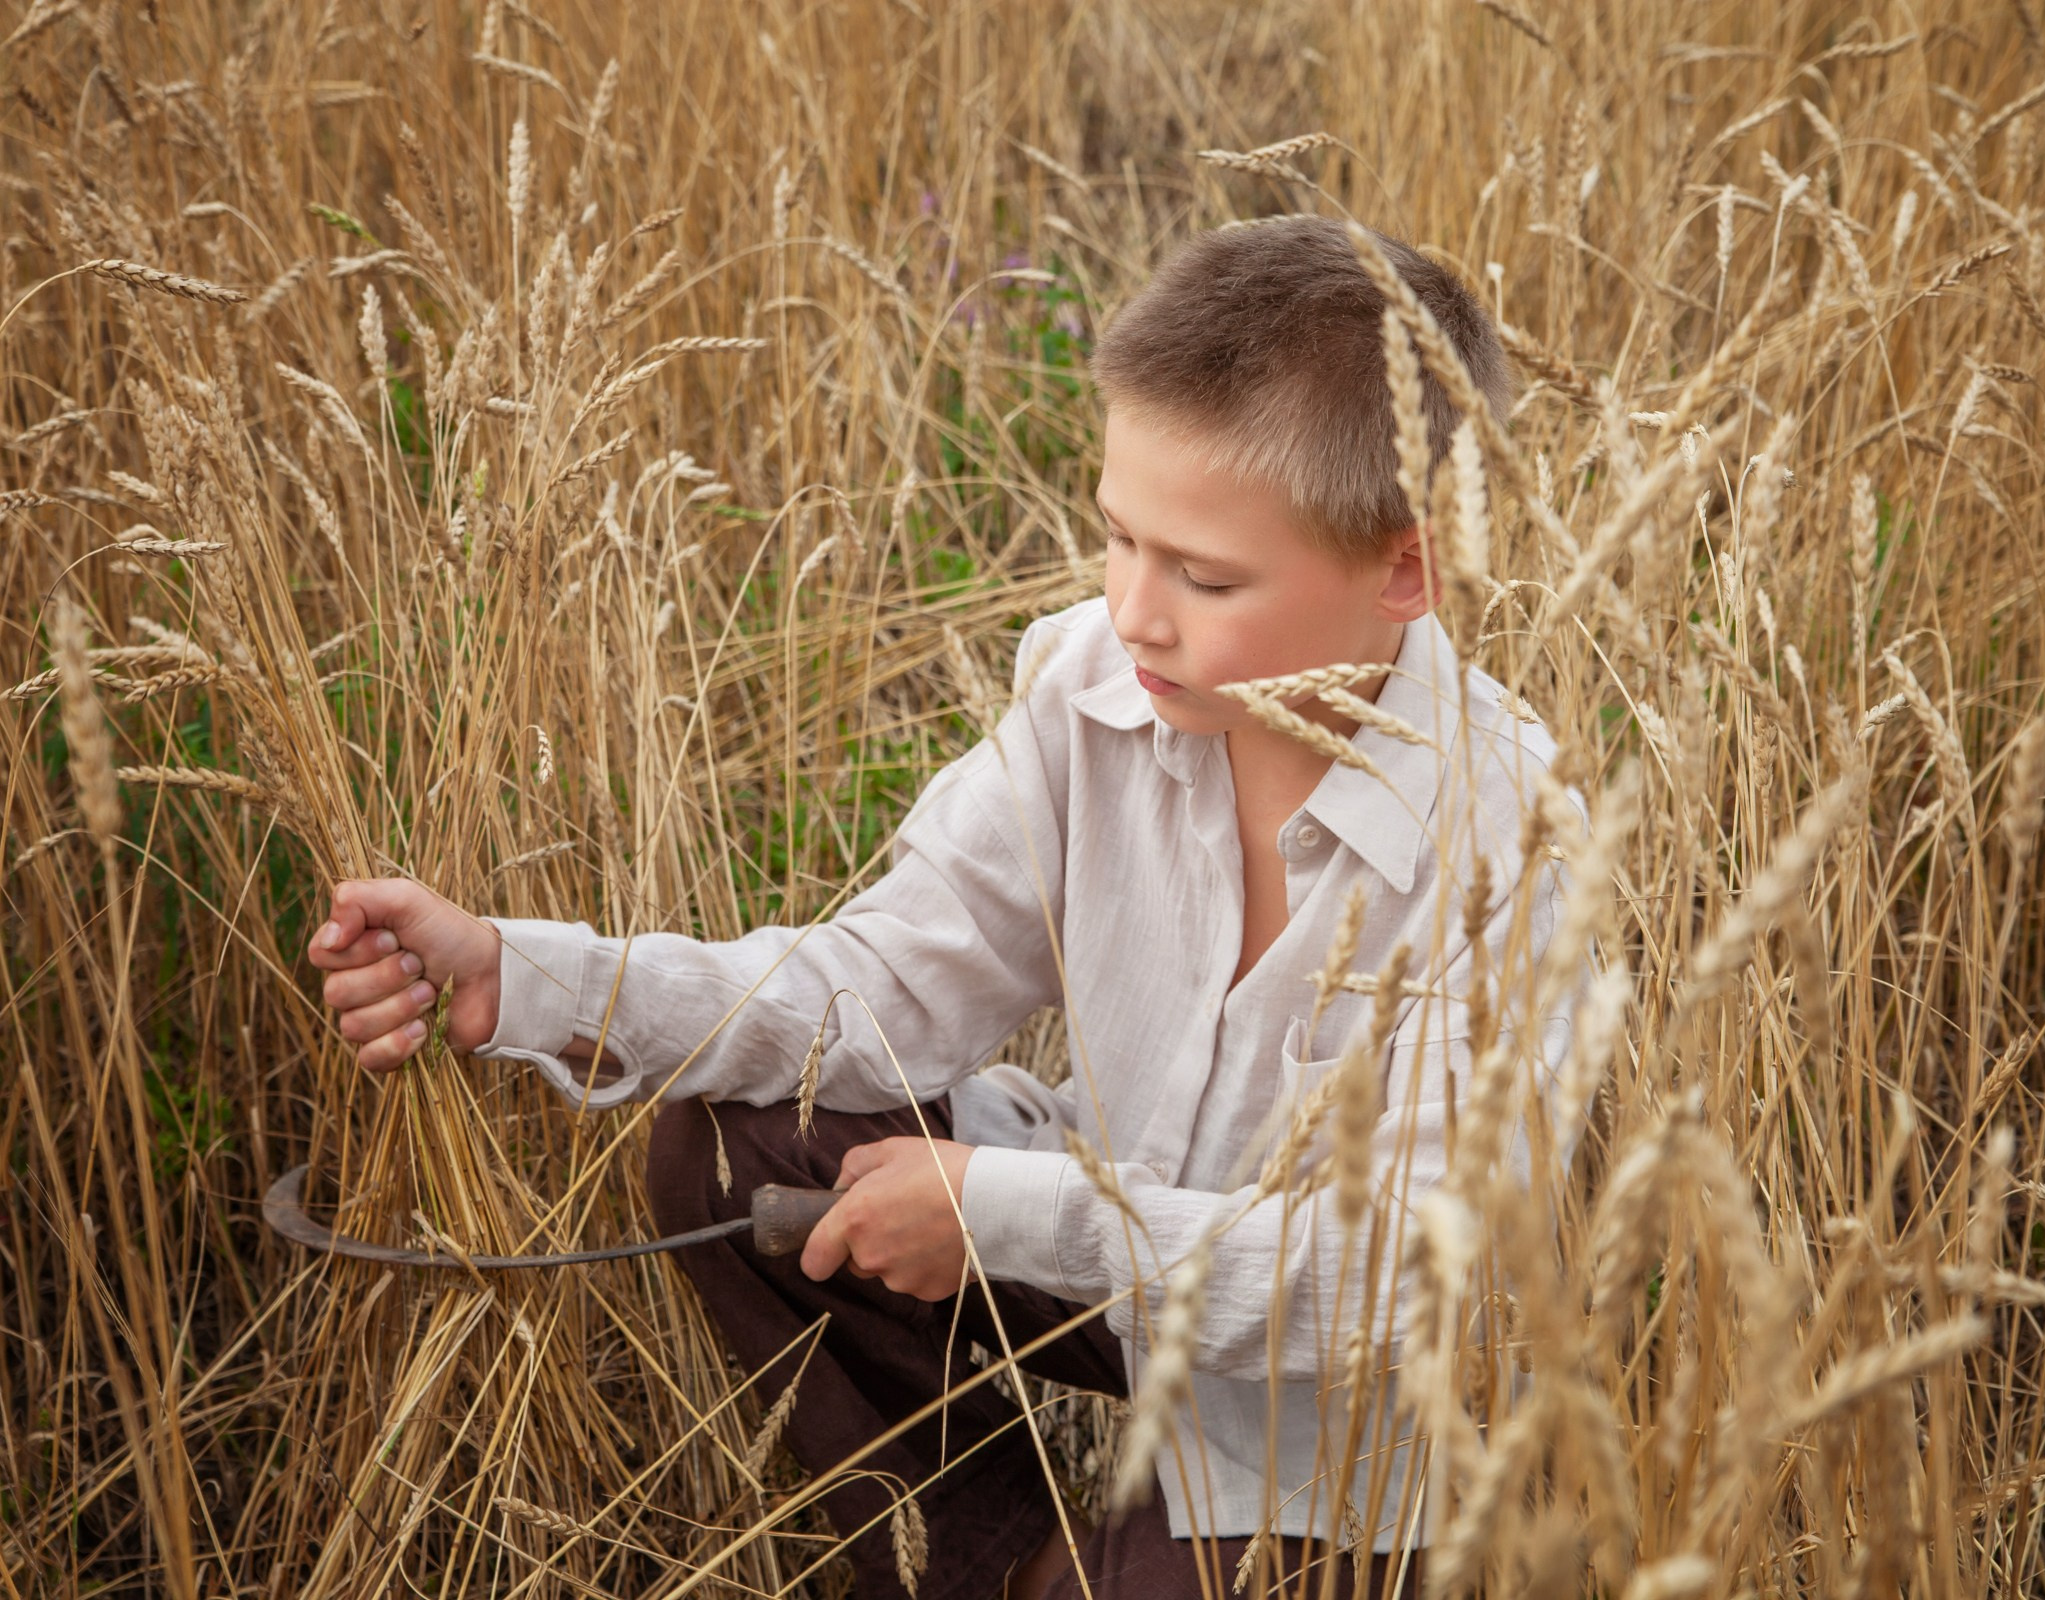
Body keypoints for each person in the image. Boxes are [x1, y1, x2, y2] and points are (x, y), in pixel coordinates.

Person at [306, 215, 1573, 1599]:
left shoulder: (1512, 843)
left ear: (1406, 567)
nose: (1133, 612)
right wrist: (525, 977)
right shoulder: (1097, 690)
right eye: (1118, 538)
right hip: (1107, 1263)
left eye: (1204, 578)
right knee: (735, 1151)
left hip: (1336, 1432)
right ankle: (990, 1563)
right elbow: (888, 987)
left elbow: (1399, 1283)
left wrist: (1009, 1214)